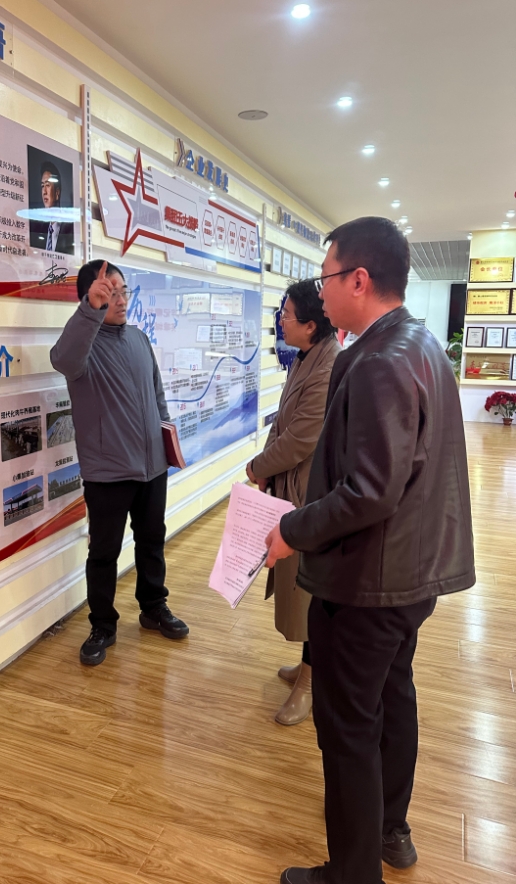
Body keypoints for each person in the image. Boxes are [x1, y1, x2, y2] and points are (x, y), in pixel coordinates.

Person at [265, 217, 475, 884]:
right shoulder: (421, 344)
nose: (321, 291)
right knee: (393, 695)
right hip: (411, 571)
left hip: (370, 579)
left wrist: (292, 531)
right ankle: (391, 830)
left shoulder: (381, 361)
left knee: (349, 726)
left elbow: (369, 491)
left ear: (359, 279)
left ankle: (352, 873)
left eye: (327, 275)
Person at [50, 260, 188, 666]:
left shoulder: (140, 340)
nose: (121, 300)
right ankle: (102, 625)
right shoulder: (81, 349)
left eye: (123, 291)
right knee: (104, 553)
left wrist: (166, 443)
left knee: (152, 541)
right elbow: (61, 358)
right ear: (90, 298)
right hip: (107, 473)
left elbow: (157, 397)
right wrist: (89, 312)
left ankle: (153, 607)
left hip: (152, 467)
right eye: (109, 294)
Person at [246, 280, 339, 726]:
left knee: (309, 593)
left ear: (310, 324)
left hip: (310, 495)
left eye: (285, 315)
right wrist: (264, 466)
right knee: (298, 590)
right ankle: (306, 666)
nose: (280, 321)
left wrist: (258, 465)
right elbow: (282, 422)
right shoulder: (305, 357)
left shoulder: (328, 365)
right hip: (290, 488)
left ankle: (312, 681)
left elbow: (302, 437)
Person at [30, 160, 74, 254]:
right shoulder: (39, 230)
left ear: (57, 193)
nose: (44, 192)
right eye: (42, 186)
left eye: (47, 185)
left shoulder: (70, 228)